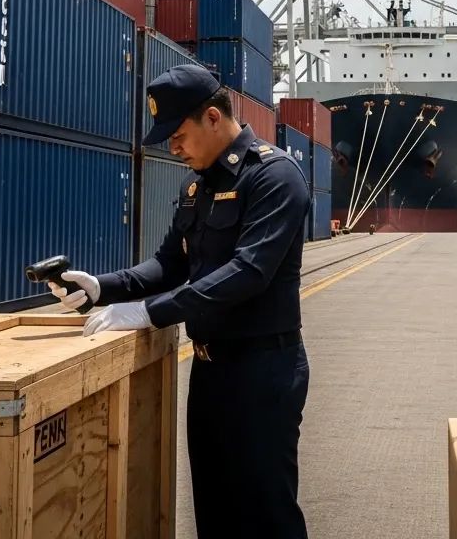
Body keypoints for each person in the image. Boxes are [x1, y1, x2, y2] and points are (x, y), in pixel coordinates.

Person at [48, 64, 311, 538]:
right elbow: (168, 265)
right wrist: (102, 288)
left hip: (262, 372)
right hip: (210, 373)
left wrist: (150, 313)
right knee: (215, 514)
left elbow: (247, 273)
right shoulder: (198, 186)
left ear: (213, 118)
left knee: (265, 515)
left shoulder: (274, 176)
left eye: (178, 135)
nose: (173, 148)